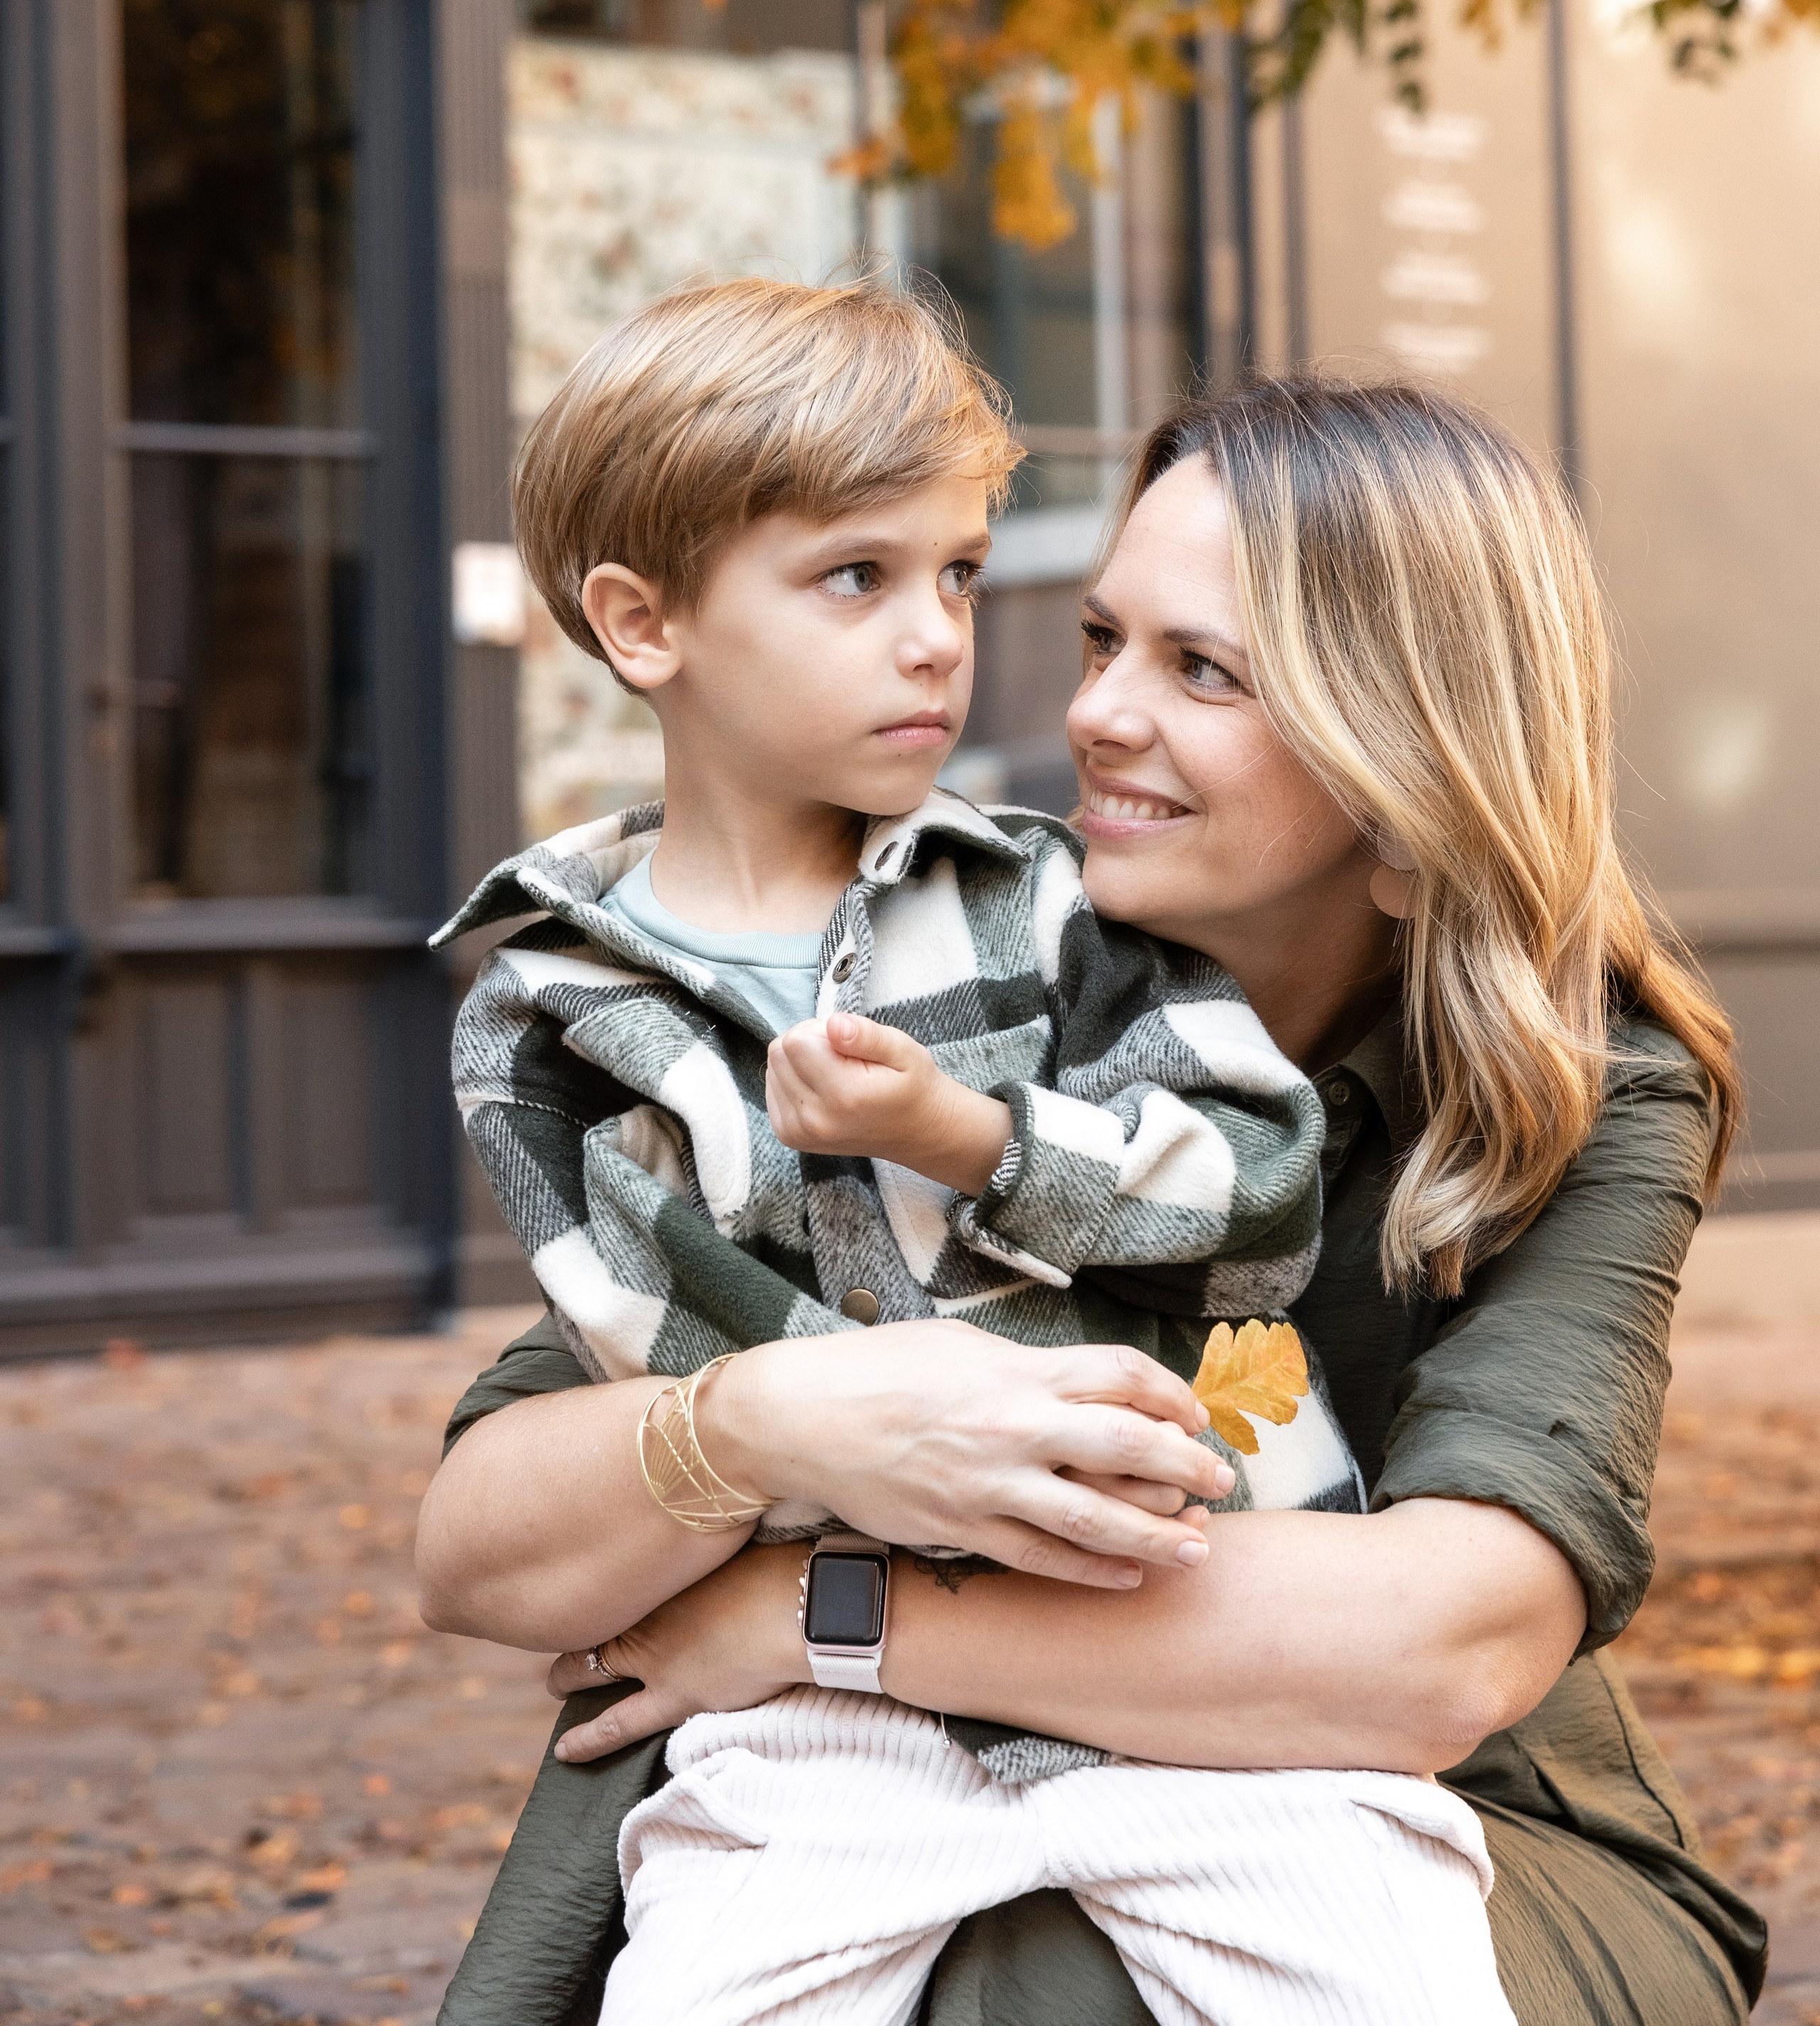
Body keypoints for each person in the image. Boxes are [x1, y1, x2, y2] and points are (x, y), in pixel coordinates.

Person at [419, 373, 1768, 2026]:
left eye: (1201, 671)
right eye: (1101, 639)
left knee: (1044, 1981)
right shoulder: (951, 960)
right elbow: (484, 1545)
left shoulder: (1581, 1084)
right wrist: (770, 1420)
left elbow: (1437, 1645)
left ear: (1407, 770)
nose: (1097, 717)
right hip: (914, 1794)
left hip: (1460, 1829)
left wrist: (812, 1612)